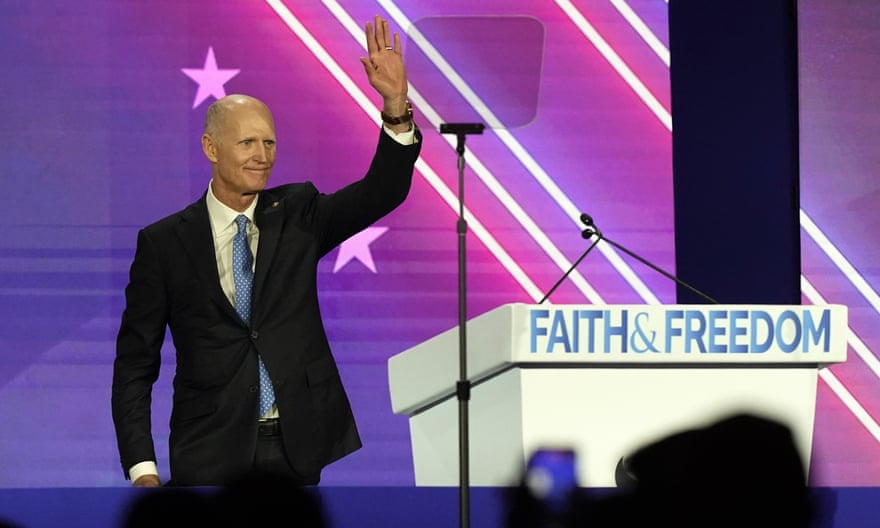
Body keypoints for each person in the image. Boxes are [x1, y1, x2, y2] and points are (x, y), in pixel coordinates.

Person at [111, 15, 421, 487]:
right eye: (248, 142)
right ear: (211, 148)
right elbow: (136, 364)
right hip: (208, 447)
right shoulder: (163, 244)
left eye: (270, 142)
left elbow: (383, 191)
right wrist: (141, 468)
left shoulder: (298, 212)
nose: (262, 154)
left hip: (295, 446)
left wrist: (395, 105)